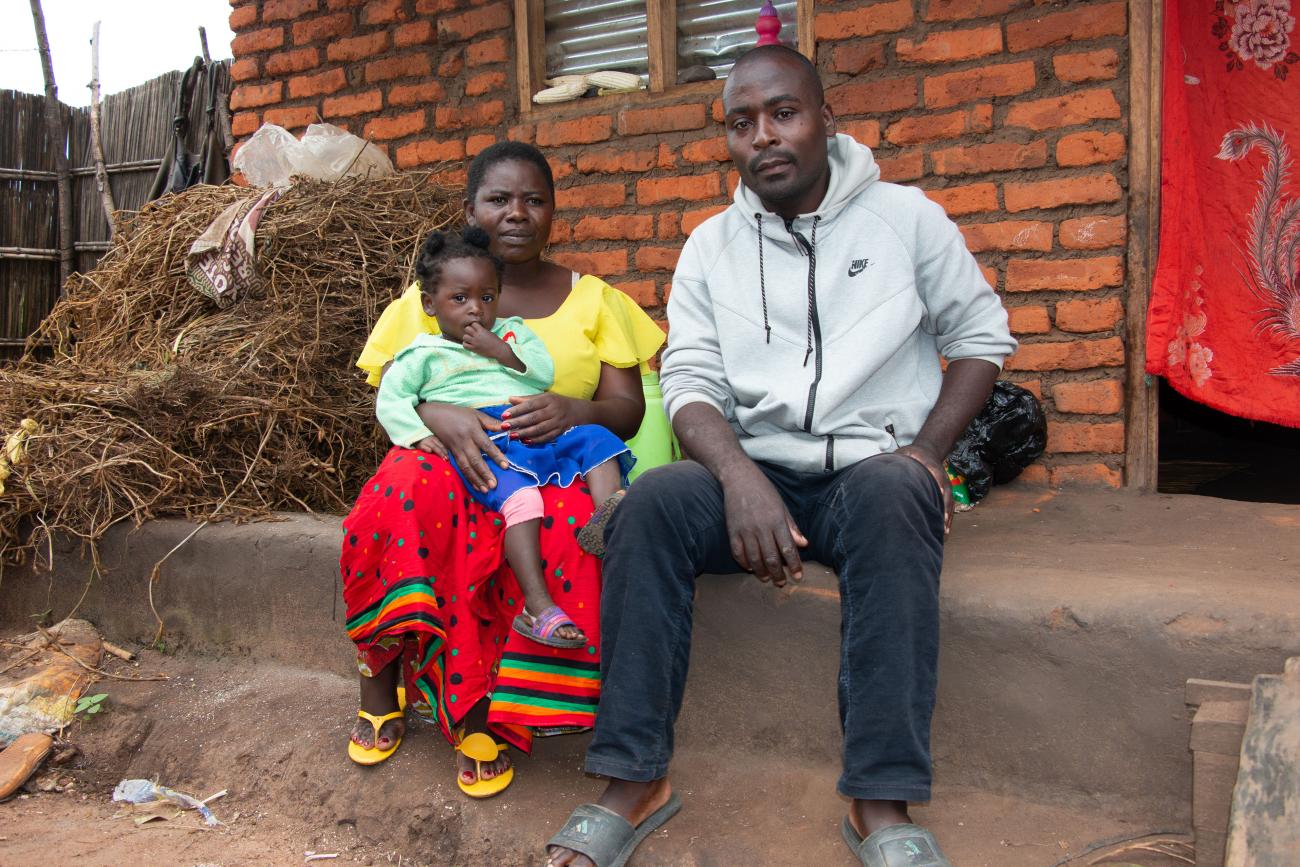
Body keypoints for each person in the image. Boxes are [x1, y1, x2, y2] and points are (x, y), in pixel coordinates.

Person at [545, 45, 1015, 867]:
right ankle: (632, 778)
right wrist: (737, 477)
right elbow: (688, 382)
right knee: (649, 505)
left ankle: (880, 801)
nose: (763, 135)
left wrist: (928, 453)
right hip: (749, 476)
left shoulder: (907, 220)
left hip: (866, 475)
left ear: (827, 121)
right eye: (740, 122)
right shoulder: (709, 248)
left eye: (784, 113)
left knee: (895, 493)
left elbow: (979, 341)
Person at [341, 141, 664, 798]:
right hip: (445, 458)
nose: (517, 212)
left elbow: (627, 412)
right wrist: (439, 413)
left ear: (553, 213)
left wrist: (574, 408)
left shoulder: (595, 298)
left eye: (534, 199)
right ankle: (382, 673)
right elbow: (391, 395)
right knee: (397, 489)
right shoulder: (425, 298)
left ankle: (493, 708)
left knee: (570, 523)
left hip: (547, 465)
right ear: (471, 210)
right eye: (499, 198)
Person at [375, 227, 633, 648]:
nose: (475, 309)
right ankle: (538, 605)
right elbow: (391, 400)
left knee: (597, 440)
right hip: (487, 442)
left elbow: (543, 374)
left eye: (487, 297)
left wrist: (501, 351)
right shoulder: (422, 354)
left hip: (534, 427)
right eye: (460, 299)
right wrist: (418, 433)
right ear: (429, 304)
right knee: (523, 501)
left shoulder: (512, 333)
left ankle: (608, 521)